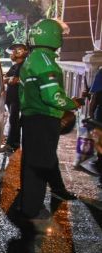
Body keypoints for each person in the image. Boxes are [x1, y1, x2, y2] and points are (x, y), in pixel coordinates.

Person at [19, 19, 84, 221]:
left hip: (32, 119)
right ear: (52, 36)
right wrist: (72, 104)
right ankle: (31, 209)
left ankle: (54, 190)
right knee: (38, 165)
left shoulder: (32, 58)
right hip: (42, 119)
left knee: (37, 160)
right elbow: (52, 96)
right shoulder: (45, 61)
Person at [2, 43, 28, 152]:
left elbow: (15, 80)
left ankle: (13, 144)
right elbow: (5, 78)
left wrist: (10, 79)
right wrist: (9, 79)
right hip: (12, 97)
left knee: (14, 120)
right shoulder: (15, 66)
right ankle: (12, 143)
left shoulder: (23, 66)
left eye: (13, 52)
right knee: (13, 120)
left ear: (19, 52)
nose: (11, 54)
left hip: (17, 97)